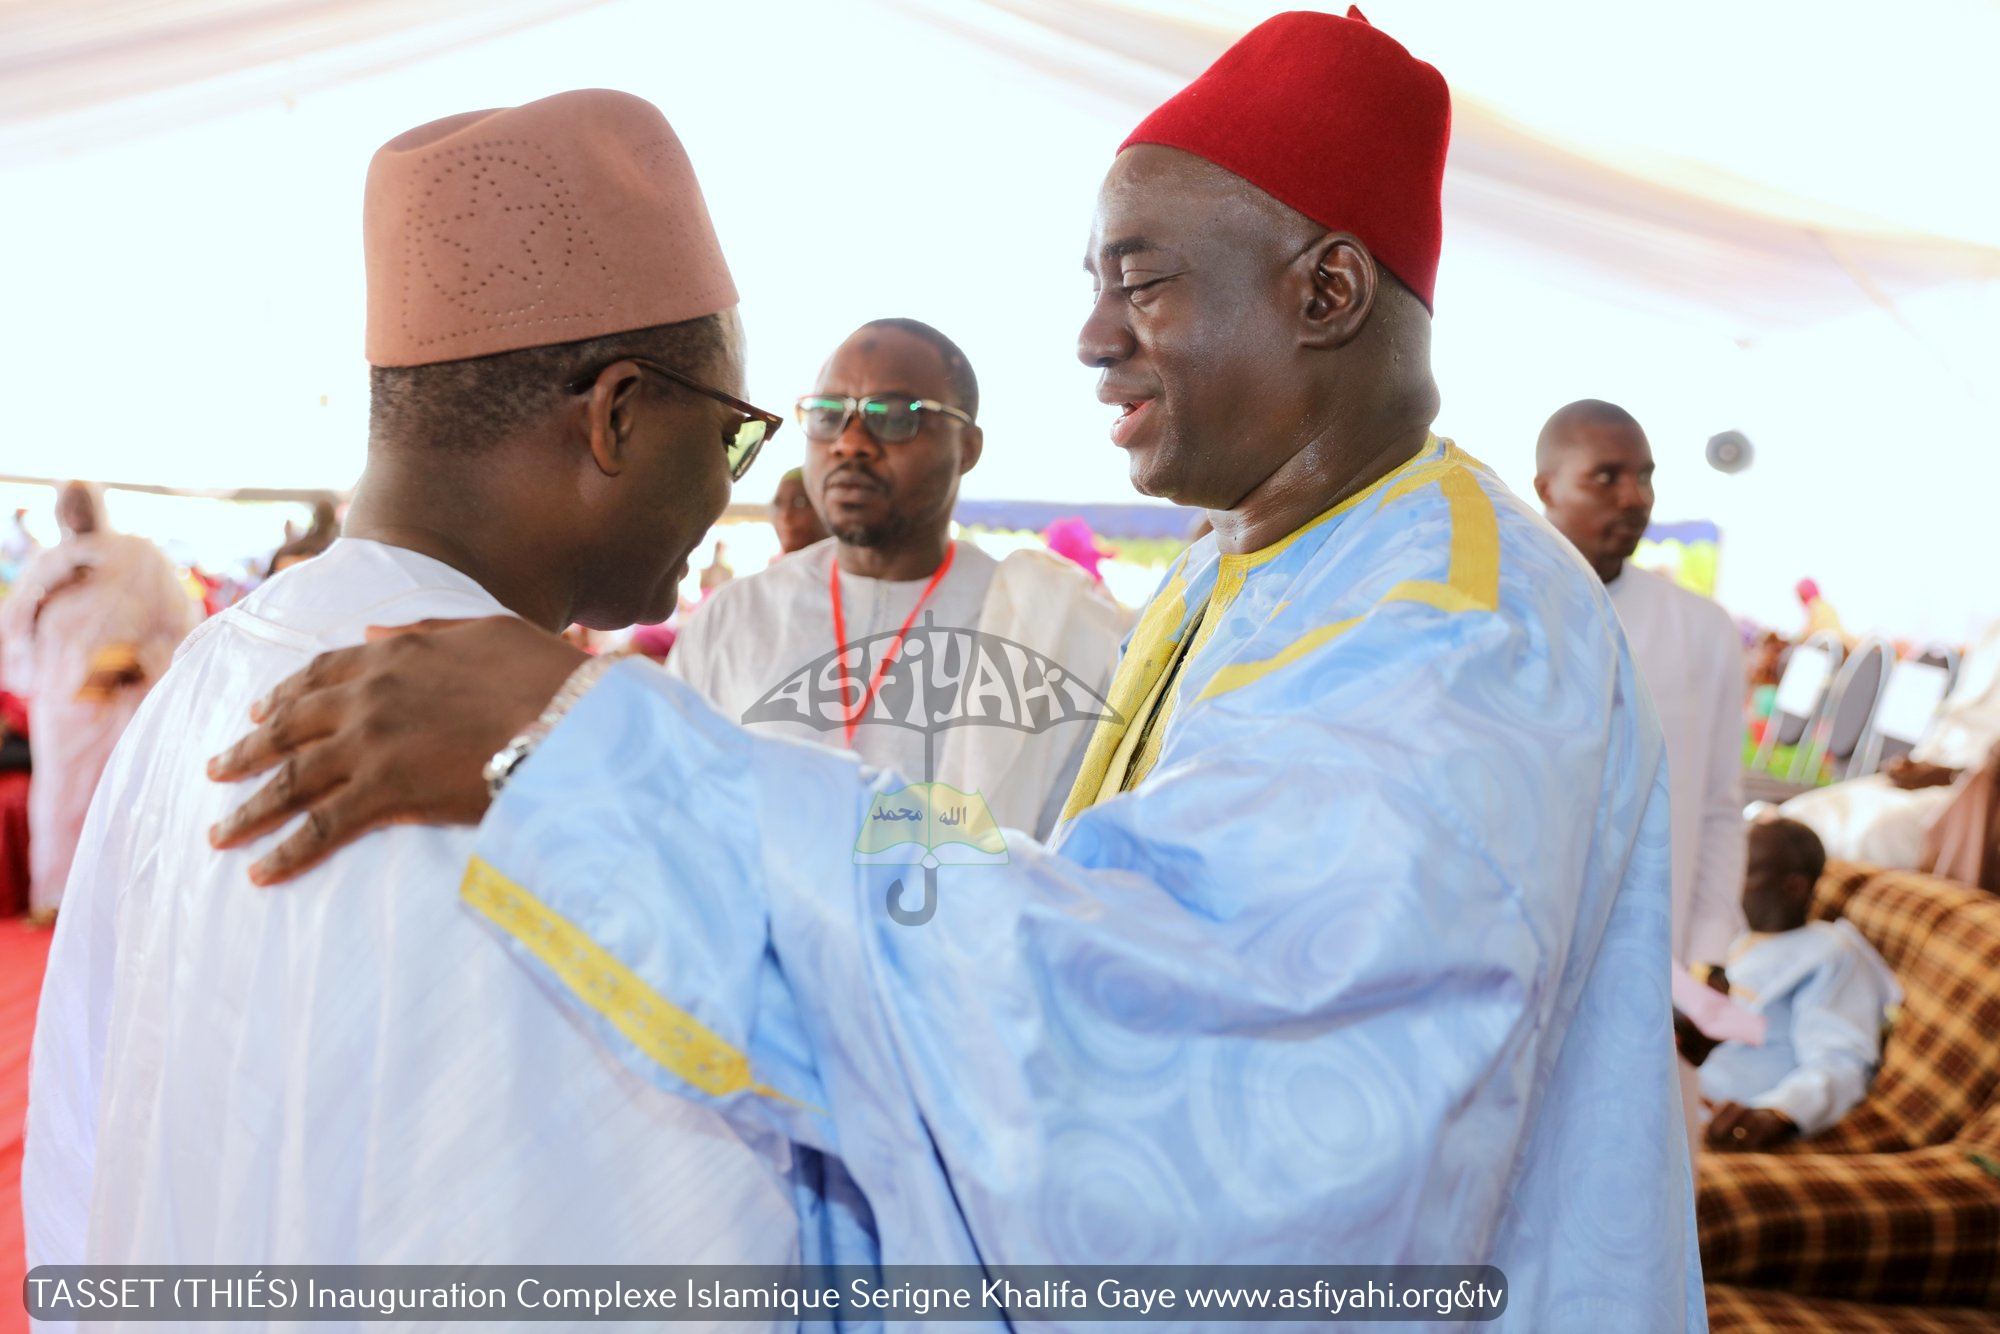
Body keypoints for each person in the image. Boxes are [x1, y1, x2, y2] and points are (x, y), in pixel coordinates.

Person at [211, 14, 1698, 1325]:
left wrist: (593, 755)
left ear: (1325, 294)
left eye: (1144, 282)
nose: (1093, 337)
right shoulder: (1253, 557)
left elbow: (1190, 1053)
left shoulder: (1462, 626)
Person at [23, 91, 801, 1299]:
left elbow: (74, 1164)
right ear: (620, 414)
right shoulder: (524, 761)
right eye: (733, 435)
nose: (726, 484)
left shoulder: (203, 682)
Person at [669, 318, 1125, 838]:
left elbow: (1076, 842)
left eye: (892, 416)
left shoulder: (1047, 629)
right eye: (828, 415)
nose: (851, 443)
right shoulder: (736, 618)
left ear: (968, 447)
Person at [1537, 400, 1747, 1165]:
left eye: (1646, 477)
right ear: (1547, 487)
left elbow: (1721, 808)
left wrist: (1710, 953)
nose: (1636, 498)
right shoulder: (1504, 611)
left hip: (1655, 982)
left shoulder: (1702, 630)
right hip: (1525, 973)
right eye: (1607, 477)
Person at [0, 482, 196, 921]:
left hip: (122, 703)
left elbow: (181, 626)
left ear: (99, 504)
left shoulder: (141, 557)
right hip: (60, 707)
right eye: (66, 502)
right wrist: (48, 593)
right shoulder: (46, 564)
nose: (74, 511)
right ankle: (56, 898)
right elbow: (12, 634)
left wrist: (143, 663)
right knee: (58, 801)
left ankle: (122, 900)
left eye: (82, 500)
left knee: (122, 797)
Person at [1682, 818, 1900, 1151]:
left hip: (1716, 1118)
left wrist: (1777, 1113)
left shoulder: (1830, 953)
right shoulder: (1736, 936)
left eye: (1744, 872)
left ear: (1794, 887)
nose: (1727, 884)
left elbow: (1841, 1061)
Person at [1783, 620, 2000, 866]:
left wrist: (1947, 774)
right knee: (1798, 817)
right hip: (1935, 770)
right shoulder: (1992, 633)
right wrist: (1917, 764)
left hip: (1977, 795)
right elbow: (1954, 719)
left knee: (1871, 837)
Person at [769, 465, 828, 555]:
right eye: (778, 504)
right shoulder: (777, 567)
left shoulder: (845, 566)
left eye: (800, 503)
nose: (785, 515)